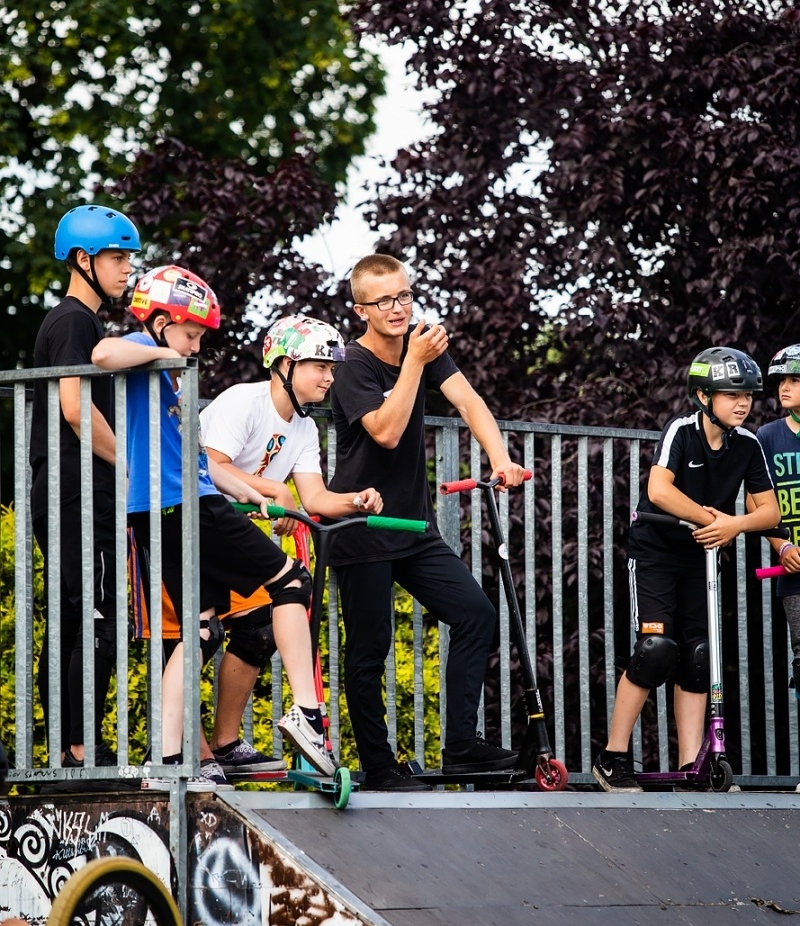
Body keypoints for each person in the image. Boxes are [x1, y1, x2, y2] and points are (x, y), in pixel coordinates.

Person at [91, 267, 340, 789]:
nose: (195, 347)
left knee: (202, 630)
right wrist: (161, 349)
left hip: (171, 503)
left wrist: (251, 493)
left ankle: (166, 761)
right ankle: (308, 714)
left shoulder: (166, 376)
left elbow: (197, 461)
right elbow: (102, 354)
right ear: (161, 323)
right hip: (183, 504)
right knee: (291, 582)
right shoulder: (146, 350)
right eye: (191, 334)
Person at [328, 254, 526, 792]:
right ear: (361, 310)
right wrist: (414, 362)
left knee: (475, 614)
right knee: (369, 651)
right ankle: (379, 766)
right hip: (362, 526)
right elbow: (386, 431)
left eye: (404, 295)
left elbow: (470, 402)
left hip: (414, 529)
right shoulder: (351, 364)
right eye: (384, 301)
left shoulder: (422, 346)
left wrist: (500, 459)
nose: (398, 308)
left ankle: (461, 747)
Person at [199, 313, 384, 775]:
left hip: (227, 535)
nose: (329, 377)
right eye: (319, 366)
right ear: (284, 364)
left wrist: (357, 500)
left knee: (259, 627)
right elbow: (208, 464)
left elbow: (315, 499)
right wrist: (274, 490)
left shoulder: (303, 428)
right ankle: (188, 753)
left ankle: (224, 746)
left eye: (332, 368)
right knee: (198, 635)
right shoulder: (244, 402)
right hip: (191, 525)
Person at [592, 346, 780, 792]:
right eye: (731, 394)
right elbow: (659, 490)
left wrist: (733, 525)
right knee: (655, 649)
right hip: (656, 554)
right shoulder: (681, 430)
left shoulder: (748, 444)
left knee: (698, 656)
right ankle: (612, 759)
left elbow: (770, 512)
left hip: (702, 557)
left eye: (747, 396)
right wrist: (711, 520)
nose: (742, 403)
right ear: (702, 396)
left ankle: (692, 767)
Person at [30, 203, 141, 770]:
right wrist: (129, 461)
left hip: (69, 487)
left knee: (76, 615)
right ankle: (79, 748)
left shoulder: (81, 321)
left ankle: (68, 748)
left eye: (129, 257)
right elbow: (75, 407)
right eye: (117, 257)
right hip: (76, 487)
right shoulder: (74, 320)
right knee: (97, 614)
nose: (128, 268)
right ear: (82, 259)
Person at [756, 345, 800, 734]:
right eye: (781, 380)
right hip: (793, 574)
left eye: (795, 379)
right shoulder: (768, 436)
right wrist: (782, 547)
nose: (784, 387)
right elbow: (758, 501)